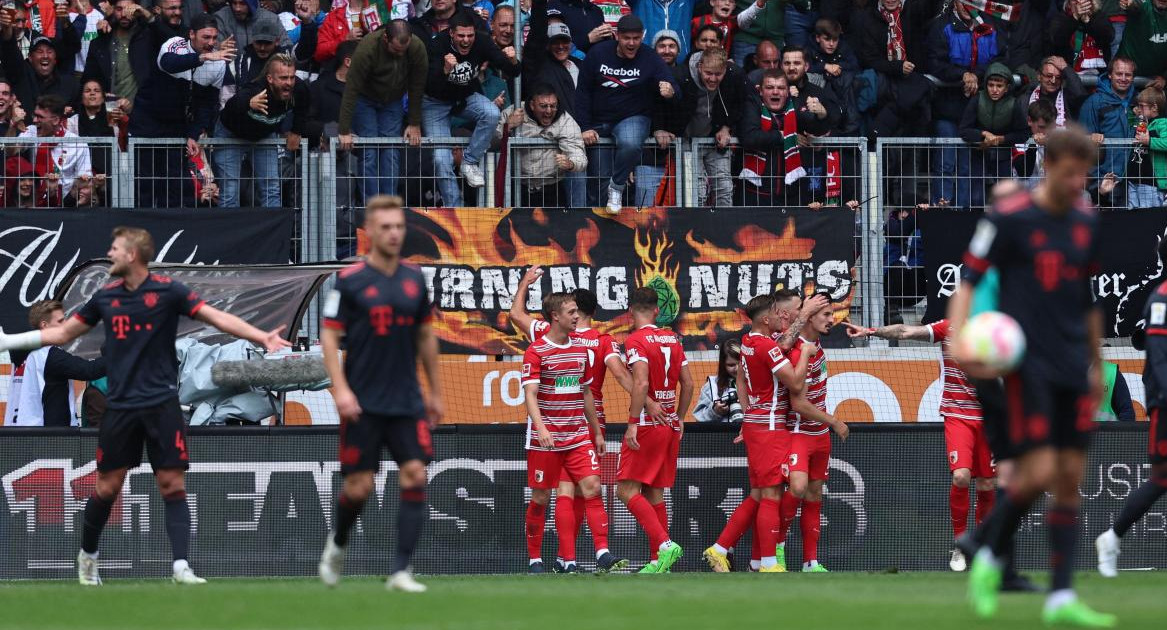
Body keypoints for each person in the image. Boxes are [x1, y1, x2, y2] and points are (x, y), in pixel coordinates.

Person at [0, 226, 291, 586]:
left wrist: (261, 336)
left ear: (133, 255)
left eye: (116, 248)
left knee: (172, 484)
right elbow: (61, 334)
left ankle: (181, 566)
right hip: (121, 407)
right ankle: (88, 556)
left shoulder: (169, 292)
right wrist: (9, 341)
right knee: (108, 487)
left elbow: (217, 318)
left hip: (162, 404)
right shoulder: (105, 297)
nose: (110, 253)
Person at [952, 127, 1116, 627]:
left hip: (1072, 363)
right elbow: (968, 280)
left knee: (1070, 481)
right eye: (1071, 173)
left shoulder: (1087, 221)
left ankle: (1061, 596)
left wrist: (1096, 361)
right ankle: (983, 547)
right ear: (1048, 166)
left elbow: (1088, 301)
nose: (1078, 183)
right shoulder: (1010, 219)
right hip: (1030, 366)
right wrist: (958, 337)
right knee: (1039, 472)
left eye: (1084, 174)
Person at [317, 195, 443, 593]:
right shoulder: (349, 280)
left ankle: (401, 571)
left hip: (406, 398)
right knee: (359, 487)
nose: (393, 233)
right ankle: (337, 544)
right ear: (369, 231)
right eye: (385, 227)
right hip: (363, 401)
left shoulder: (413, 278)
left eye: (399, 227)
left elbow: (425, 334)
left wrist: (435, 392)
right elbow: (329, 333)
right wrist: (340, 389)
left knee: (415, 473)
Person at [509, 269, 640, 571]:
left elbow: (582, 394)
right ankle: (538, 559)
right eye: (570, 313)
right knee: (542, 496)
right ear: (556, 317)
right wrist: (541, 428)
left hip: (578, 433)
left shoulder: (581, 348)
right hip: (547, 436)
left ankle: (600, 554)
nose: (575, 318)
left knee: (592, 486)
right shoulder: (538, 347)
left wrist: (595, 432)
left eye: (577, 313)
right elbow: (530, 395)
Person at [848, 315, 997, 572]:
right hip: (957, 414)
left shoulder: (996, 330)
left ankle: (983, 545)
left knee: (988, 483)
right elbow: (906, 331)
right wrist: (869, 331)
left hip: (991, 416)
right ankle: (960, 543)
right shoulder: (949, 327)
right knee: (961, 477)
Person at [702, 293, 831, 573]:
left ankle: (727, 551)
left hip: (759, 425)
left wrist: (747, 417)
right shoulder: (766, 347)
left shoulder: (748, 341)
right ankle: (769, 563)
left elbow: (739, 378)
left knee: (760, 495)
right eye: (779, 313)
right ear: (766, 318)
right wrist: (806, 355)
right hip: (771, 427)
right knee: (771, 495)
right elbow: (796, 384)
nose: (783, 318)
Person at [1096, 237, 1167, 577]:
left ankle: (1111, 538)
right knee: (1162, 477)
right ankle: (1112, 538)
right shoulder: (1161, 300)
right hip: (1165, 403)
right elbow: (1156, 352)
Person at [617, 286, 690, 574]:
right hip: (670, 424)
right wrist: (680, 417)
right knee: (654, 493)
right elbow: (690, 383)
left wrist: (633, 422)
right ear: (658, 310)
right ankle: (658, 563)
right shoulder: (672, 338)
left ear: (630, 310)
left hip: (648, 424)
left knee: (625, 490)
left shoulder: (635, 340)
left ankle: (664, 544)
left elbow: (641, 383)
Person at [129, 13, 235, 208]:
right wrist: (202, 58)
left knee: (174, 182)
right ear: (192, 34)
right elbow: (168, 63)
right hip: (148, 121)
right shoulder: (175, 44)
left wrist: (194, 134)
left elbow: (207, 104)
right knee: (145, 180)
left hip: (177, 124)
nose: (211, 42)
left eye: (214, 38)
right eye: (206, 37)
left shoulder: (219, 64)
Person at [576, 13, 678, 214]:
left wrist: (671, 91)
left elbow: (674, 86)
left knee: (631, 142)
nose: (631, 43)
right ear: (616, 35)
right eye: (626, 38)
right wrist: (584, 126)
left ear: (642, 36)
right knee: (598, 179)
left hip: (633, 117)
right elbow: (582, 93)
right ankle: (601, 231)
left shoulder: (650, 57)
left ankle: (617, 187)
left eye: (636, 38)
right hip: (599, 121)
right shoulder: (597, 54)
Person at [775, 294, 848, 572]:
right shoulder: (797, 350)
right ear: (811, 316)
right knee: (798, 487)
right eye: (826, 315)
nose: (832, 320)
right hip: (799, 433)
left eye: (832, 314)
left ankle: (811, 561)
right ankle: (777, 549)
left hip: (820, 437)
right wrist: (834, 421)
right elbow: (799, 403)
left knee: (815, 494)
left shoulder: (816, 344)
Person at [421, 11, 519, 205]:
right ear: (451, 33)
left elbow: (513, 71)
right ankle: (454, 207)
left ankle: (470, 162)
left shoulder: (482, 42)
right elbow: (429, 85)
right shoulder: (436, 45)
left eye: (470, 35)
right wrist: (446, 71)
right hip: (434, 103)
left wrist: (513, 59)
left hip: (464, 96)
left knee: (491, 113)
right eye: (461, 36)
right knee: (442, 160)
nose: (466, 41)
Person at [336, 21, 427, 201]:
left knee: (391, 151)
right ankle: (371, 205)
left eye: (404, 50)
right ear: (386, 38)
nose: (400, 54)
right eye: (396, 50)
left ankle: (389, 202)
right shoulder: (367, 48)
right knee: (369, 151)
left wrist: (414, 122)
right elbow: (351, 88)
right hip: (365, 99)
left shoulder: (416, 47)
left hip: (393, 100)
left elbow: (417, 86)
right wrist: (344, 130)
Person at [654, 46, 748, 207]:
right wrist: (658, 128)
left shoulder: (735, 75)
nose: (712, 79)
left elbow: (739, 104)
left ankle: (724, 229)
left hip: (714, 140)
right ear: (700, 66)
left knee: (724, 188)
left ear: (725, 69)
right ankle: (696, 230)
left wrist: (726, 127)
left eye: (718, 74)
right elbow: (656, 103)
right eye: (708, 73)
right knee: (696, 192)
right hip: (686, 140)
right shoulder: (680, 75)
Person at [213, 53, 309, 208]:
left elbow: (303, 107)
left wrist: (296, 131)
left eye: (292, 77)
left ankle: (273, 232)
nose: (289, 83)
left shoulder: (299, 88)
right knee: (230, 190)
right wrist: (248, 103)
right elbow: (229, 108)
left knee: (271, 188)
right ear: (270, 79)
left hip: (263, 136)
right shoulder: (255, 90)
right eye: (283, 78)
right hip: (230, 134)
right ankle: (230, 231)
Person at [3, 300, 106, 427]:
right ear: (44, 325)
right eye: (60, 321)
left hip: (25, 428)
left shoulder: (26, 352)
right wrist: (121, 356)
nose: (65, 325)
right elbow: (89, 370)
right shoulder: (50, 355)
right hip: (50, 434)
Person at [496, 84, 587, 207]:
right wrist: (508, 126)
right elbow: (491, 143)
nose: (549, 111)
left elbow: (578, 154)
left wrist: (570, 164)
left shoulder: (565, 120)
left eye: (553, 106)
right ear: (532, 105)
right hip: (518, 186)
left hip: (552, 188)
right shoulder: (515, 112)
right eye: (543, 106)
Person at [956, 63, 1028, 208]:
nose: (994, 90)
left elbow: (1023, 133)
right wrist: (983, 134)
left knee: (1006, 199)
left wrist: (1002, 139)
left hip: (1003, 155)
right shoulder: (977, 99)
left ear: (1007, 87)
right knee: (976, 198)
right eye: (991, 85)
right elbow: (964, 129)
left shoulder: (1014, 104)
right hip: (979, 153)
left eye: (999, 86)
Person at [1080, 56, 1136, 204]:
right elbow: (1083, 144)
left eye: (1128, 74)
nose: (1123, 78)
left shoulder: (1138, 101)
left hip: (1135, 181)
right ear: (1110, 75)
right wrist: (1096, 183)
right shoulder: (1094, 102)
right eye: (1119, 74)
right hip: (1105, 180)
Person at [17, 94, 93, 204]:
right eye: (35, 115)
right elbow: (11, 151)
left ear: (56, 120)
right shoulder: (31, 131)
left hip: (65, 205)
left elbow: (85, 181)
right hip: (31, 204)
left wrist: (72, 205)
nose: (34, 120)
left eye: (40, 117)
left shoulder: (78, 144)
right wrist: (14, 124)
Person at [1017, 56, 1087, 128]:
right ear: (1039, 76)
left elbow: (1080, 94)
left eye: (1058, 77)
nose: (1053, 81)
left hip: (1063, 138)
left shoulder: (1068, 97)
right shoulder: (1025, 100)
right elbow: (1019, 132)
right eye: (1049, 76)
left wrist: (1065, 68)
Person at [1127, 86, 1167, 208]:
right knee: (1132, 214)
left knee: (1148, 214)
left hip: (1151, 181)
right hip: (1134, 178)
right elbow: (1128, 120)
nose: (1138, 109)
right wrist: (1133, 112)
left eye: (1141, 106)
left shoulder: (1163, 123)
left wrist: (1149, 141)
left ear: (1154, 107)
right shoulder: (1143, 122)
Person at [1115, 0, 1167, 88]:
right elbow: (1135, 6)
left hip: (1158, 81)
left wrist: (1165, 77)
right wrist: (1130, 4)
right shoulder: (1144, 6)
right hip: (1128, 78)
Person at [694, 339, 742, 423]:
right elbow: (699, 418)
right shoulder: (712, 386)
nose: (737, 369)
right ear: (723, 365)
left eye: (740, 363)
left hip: (750, 434)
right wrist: (714, 411)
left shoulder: (757, 384)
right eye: (731, 365)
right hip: (722, 434)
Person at [690, 0, 762, 55]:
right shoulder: (697, 22)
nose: (727, 3)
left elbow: (746, 17)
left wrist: (759, 4)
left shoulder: (732, 22)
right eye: (723, 0)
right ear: (712, 2)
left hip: (721, 65)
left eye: (731, 1)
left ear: (734, 6)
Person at [214, 0, 288, 51]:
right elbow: (210, 48)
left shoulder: (271, 18)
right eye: (234, 3)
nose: (237, 9)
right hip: (231, 69)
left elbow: (286, 47)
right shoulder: (221, 17)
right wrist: (218, 47)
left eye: (242, 3)